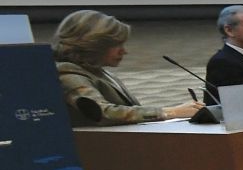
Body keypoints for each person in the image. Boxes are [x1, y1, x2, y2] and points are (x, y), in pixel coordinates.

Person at [52, 10, 199, 124]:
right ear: (95, 44)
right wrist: (172, 112)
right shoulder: (67, 71)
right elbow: (102, 112)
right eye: (117, 45)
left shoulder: (101, 73)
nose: (124, 51)